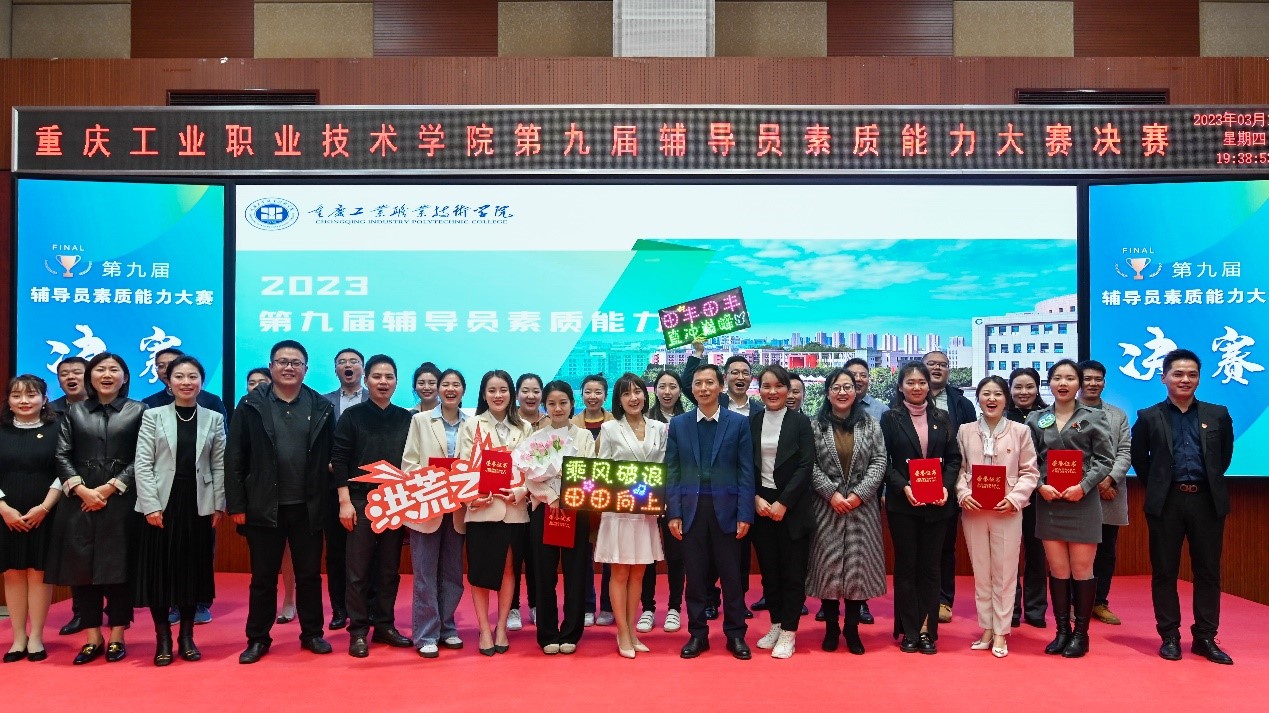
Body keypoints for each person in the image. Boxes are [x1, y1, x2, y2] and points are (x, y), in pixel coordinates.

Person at [227, 340, 336, 664]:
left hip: (308, 506)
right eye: (283, 361)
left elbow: (332, 455)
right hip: (264, 505)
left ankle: (312, 633)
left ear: (306, 369)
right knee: (263, 578)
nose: (289, 367)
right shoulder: (250, 404)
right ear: (271, 366)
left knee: (309, 576)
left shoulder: (321, 406)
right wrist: (237, 505)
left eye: (296, 362)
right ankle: (258, 638)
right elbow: (234, 457)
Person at [1131, 349, 1235, 665]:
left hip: (1207, 501)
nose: (1185, 379)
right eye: (1178, 374)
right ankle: (1170, 636)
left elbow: (1223, 458)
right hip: (1167, 502)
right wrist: (1162, 486)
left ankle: (1205, 637)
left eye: (1192, 374)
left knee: (1208, 571)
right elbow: (1140, 461)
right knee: (1165, 571)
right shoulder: (1148, 417)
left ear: (1199, 379)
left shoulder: (1218, 414)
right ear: (1164, 377)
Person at [46, 352, 146, 664]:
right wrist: (81, 490)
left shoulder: (139, 410)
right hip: (79, 501)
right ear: (90, 376)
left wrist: (110, 487)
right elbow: (62, 454)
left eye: (114, 369)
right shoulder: (74, 411)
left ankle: (117, 636)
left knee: (119, 570)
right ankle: (92, 637)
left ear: (125, 377)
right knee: (82, 570)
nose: (107, 374)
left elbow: (143, 455)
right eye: (100, 369)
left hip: (121, 500)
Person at [133, 356, 226, 666]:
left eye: (193, 376)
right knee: (160, 572)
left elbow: (219, 464)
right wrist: (150, 505)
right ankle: (162, 639)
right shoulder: (152, 415)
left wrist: (219, 503)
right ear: (169, 382)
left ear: (201, 381)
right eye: (180, 377)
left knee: (192, 571)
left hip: (198, 504)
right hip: (161, 504)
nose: (187, 382)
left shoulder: (213, 418)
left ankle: (187, 637)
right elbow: (143, 464)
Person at [666, 363, 755, 660]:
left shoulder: (738, 423)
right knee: (695, 577)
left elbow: (745, 472)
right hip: (691, 509)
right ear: (692, 389)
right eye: (698, 383)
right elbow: (672, 471)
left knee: (732, 577)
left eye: (709, 383)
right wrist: (674, 512)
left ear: (720, 386)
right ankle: (697, 634)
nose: (703, 388)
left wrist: (745, 514)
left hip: (727, 510)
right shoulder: (679, 424)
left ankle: (735, 634)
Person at [1027, 359, 1114, 658]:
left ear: (1079, 384)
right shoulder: (1036, 419)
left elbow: (1105, 459)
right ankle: (1062, 631)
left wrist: (1084, 486)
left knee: (1081, 570)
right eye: (1057, 378)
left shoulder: (1093, 417)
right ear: (1049, 383)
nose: (1063, 384)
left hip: (1082, 502)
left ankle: (1081, 634)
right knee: (1058, 570)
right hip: (1049, 501)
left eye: (1070, 378)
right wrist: (1040, 485)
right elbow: (1028, 460)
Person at [332, 355, 414, 657]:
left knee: (389, 569)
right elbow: (339, 459)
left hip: (395, 501)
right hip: (360, 500)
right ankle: (357, 631)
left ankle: (384, 625)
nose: (383, 382)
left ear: (396, 382)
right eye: (377, 376)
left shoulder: (406, 418)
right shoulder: (352, 416)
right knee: (358, 570)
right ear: (366, 380)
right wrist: (344, 501)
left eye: (389, 377)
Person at [880, 361, 962, 654]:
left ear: (929, 386)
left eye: (922, 382)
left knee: (930, 567)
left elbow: (954, 459)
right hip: (904, 504)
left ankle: (927, 630)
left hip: (938, 504)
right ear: (901, 386)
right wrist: (904, 486)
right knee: (906, 567)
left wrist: (946, 487)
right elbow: (883, 461)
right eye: (910, 382)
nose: (917, 387)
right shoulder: (890, 419)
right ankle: (909, 630)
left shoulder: (942, 417)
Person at [955, 376, 1039, 659]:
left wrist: (1015, 498)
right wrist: (963, 493)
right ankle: (987, 628)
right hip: (974, 510)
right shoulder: (965, 431)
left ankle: (1002, 631)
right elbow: (959, 469)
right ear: (978, 398)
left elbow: (1030, 472)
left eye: (997, 394)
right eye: (986, 394)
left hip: (1007, 511)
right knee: (982, 573)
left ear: (1006, 399)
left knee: (1005, 573)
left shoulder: (1020, 431)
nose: (991, 399)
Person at [805, 368, 887, 655]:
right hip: (826, 506)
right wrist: (832, 494)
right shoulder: (815, 425)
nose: (842, 392)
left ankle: (852, 629)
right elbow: (809, 464)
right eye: (836, 387)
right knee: (828, 568)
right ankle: (831, 628)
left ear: (856, 391)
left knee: (857, 570)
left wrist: (858, 495)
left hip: (861, 507)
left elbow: (879, 461)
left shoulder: (870, 424)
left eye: (847, 387)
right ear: (828, 393)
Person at [459, 369, 532, 656]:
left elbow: (533, 469)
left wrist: (521, 491)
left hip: (514, 510)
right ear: (484, 394)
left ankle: (501, 627)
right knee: (479, 572)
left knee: (508, 569)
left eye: (503, 390)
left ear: (511, 394)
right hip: (482, 509)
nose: (498, 395)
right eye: (492, 390)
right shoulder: (472, 425)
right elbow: (464, 466)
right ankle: (484, 629)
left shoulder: (524, 427)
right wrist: (472, 497)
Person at [747, 366, 815, 659]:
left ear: (788, 390)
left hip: (792, 506)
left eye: (778, 386)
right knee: (770, 573)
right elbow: (744, 464)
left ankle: (789, 631)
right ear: (759, 390)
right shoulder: (753, 421)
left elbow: (806, 465)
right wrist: (754, 497)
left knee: (792, 573)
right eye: (766, 386)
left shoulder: (800, 422)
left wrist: (784, 502)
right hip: (761, 504)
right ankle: (775, 624)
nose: (772, 392)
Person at [524, 381, 596, 655]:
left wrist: (566, 497)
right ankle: (547, 634)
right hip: (544, 510)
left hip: (575, 510)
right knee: (544, 574)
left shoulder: (584, 437)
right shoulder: (536, 437)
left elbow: (589, 471)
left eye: (563, 403)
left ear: (571, 404)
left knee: (576, 572)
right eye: (552, 403)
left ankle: (571, 632)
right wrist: (551, 497)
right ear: (545, 406)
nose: (557, 408)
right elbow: (530, 475)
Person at [596, 374, 666, 658]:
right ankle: (622, 631)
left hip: (647, 509)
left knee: (638, 572)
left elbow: (662, 466)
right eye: (626, 394)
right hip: (619, 509)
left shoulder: (659, 428)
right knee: (620, 572)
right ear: (619, 400)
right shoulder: (610, 428)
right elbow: (602, 468)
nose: (633, 398)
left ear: (645, 396)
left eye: (637, 392)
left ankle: (632, 630)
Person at [403, 368, 469, 658]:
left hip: (458, 508)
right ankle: (426, 633)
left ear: (463, 390)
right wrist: (434, 480)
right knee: (425, 573)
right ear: (439, 390)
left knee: (452, 572)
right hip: (427, 506)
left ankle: (447, 627)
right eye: (446, 384)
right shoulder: (420, 420)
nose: (450, 389)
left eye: (456, 384)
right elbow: (409, 464)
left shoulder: (472, 423)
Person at [0, 375, 62, 663]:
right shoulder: (1, 430)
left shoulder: (57, 429)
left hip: (44, 511)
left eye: (31, 395)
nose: (24, 401)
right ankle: (18, 638)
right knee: (12, 572)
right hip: (5, 513)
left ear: (44, 399)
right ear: (9, 401)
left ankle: (36, 636)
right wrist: (3, 508)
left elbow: (64, 471)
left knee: (38, 572)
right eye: (17, 396)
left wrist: (45, 508)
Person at [1077, 360, 1132, 626]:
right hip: (1076, 493)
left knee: (1106, 551)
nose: (1093, 383)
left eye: (1098, 379)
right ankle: (1075, 603)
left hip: (1110, 492)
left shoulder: (1117, 415)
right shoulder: (1065, 411)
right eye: (1087, 378)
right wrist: (1090, 483)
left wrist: (1109, 480)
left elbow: (1125, 451)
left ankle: (1100, 602)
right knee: (1075, 550)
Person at [924, 351, 975, 625]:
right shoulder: (903, 400)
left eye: (942, 365)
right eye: (931, 364)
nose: (937, 368)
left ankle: (944, 600)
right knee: (918, 546)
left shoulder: (961, 403)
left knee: (945, 545)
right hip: (913, 483)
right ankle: (919, 598)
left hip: (950, 482)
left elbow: (968, 445)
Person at [321, 347, 368, 631]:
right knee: (336, 551)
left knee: (366, 552)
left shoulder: (374, 400)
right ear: (336, 369)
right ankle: (340, 609)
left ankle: (366, 608)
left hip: (366, 487)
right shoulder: (323, 403)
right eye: (342, 362)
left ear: (362, 369)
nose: (348, 365)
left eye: (354, 361)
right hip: (332, 487)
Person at [640, 370, 687, 634]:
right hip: (647, 495)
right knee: (647, 554)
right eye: (662, 386)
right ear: (654, 390)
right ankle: (647, 608)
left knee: (676, 556)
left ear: (680, 391)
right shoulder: (645, 422)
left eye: (673, 386)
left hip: (678, 496)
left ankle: (674, 608)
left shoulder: (688, 420)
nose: (667, 392)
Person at [49, 358, 91, 638]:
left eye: (77, 372)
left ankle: (115, 611)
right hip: (66, 491)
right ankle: (81, 613)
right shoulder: (50, 412)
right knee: (77, 556)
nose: (71, 377)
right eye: (64, 374)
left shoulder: (107, 407)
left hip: (106, 489)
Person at [840, 357, 883, 625]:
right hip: (831, 498)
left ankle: (861, 604)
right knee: (832, 554)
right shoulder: (823, 417)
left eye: (862, 375)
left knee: (860, 554)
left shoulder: (881, 411)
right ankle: (830, 602)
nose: (857, 379)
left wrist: (862, 492)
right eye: (851, 375)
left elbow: (882, 457)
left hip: (866, 494)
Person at [1008, 366, 1049, 628]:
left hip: (1039, 494)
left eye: (1029, 386)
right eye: (1018, 387)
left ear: (1037, 388)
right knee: (1009, 553)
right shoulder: (1000, 415)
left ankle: (1035, 610)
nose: (1024, 392)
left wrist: (1039, 483)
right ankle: (1010, 609)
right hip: (1008, 495)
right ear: (1010, 389)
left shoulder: (1049, 416)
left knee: (1036, 553)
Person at [574, 373, 615, 626]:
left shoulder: (616, 423)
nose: (593, 396)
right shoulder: (571, 423)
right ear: (582, 395)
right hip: (580, 498)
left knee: (609, 554)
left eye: (598, 392)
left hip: (608, 498)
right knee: (583, 555)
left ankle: (608, 607)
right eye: (588, 392)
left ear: (605, 396)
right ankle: (587, 605)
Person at [509, 372, 546, 632]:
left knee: (537, 557)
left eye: (535, 391)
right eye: (525, 390)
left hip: (540, 501)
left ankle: (536, 604)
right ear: (517, 394)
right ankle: (512, 606)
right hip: (513, 500)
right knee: (513, 556)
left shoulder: (550, 423)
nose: (530, 396)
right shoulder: (511, 423)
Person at [140, 347, 228, 417]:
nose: (166, 370)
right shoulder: (148, 403)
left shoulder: (211, 401)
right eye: (161, 366)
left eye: (172, 365)